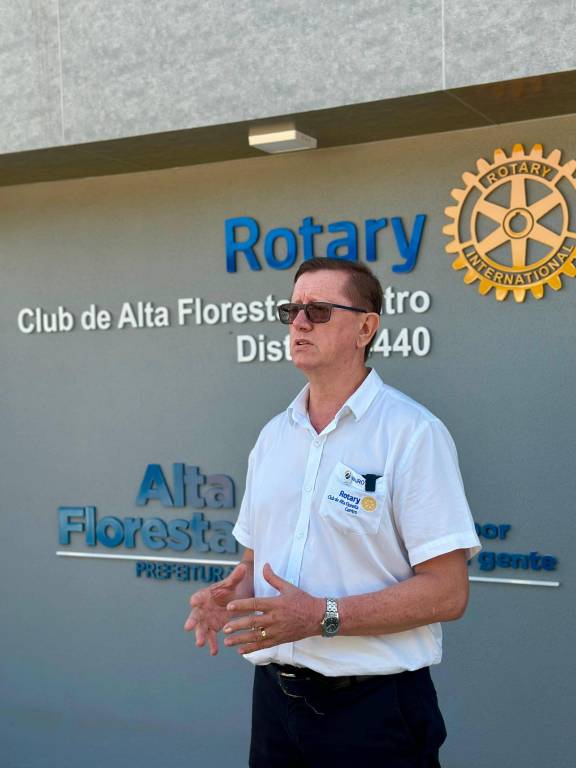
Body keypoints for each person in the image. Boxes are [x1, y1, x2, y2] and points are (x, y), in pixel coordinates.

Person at [184, 257, 481, 767]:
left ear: (366, 328)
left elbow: (448, 592)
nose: (299, 323)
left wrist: (321, 616)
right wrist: (234, 594)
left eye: (318, 311)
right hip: (275, 704)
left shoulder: (412, 434)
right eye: (292, 311)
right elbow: (255, 562)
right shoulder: (273, 437)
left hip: (374, 710)